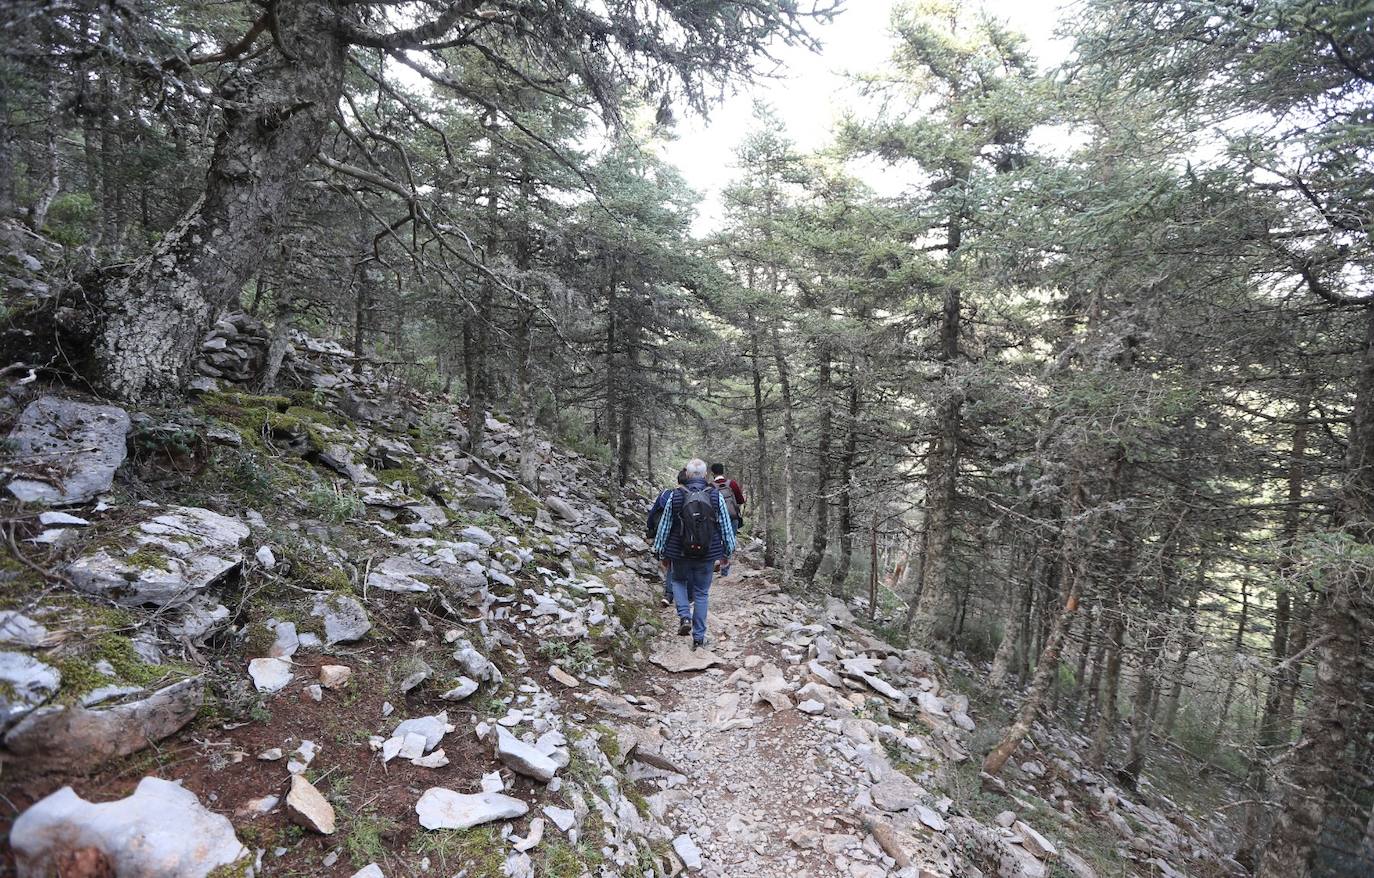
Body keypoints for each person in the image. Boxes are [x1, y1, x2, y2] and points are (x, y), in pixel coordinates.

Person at [653, 458, 736, 650]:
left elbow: (665, 525)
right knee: (701, 593)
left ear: (688, 474)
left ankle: (684, 616)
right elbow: (725, 526)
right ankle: (699, 637)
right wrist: (728, 552)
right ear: (705, 475)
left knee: (678, 582)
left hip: (679, 551)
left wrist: (660, 551)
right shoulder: (715, 495)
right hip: (707, 552)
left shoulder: (677, 494)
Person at [647, 469, 688, 605]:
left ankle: (669, 594)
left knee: (671, 563)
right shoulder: (692, 496)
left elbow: (653, 513)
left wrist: (650, 530)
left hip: (667, 534)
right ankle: (683, 592)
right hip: (684, 536)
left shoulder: (666, 494)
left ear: (678, 480)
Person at [709, 462, 745, 531]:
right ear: (723, 472)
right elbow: (740, 501)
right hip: (732, 518)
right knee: (731, 540)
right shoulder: (732, 484)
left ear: (712, 473)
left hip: (717, 520)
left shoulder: (710, 487)